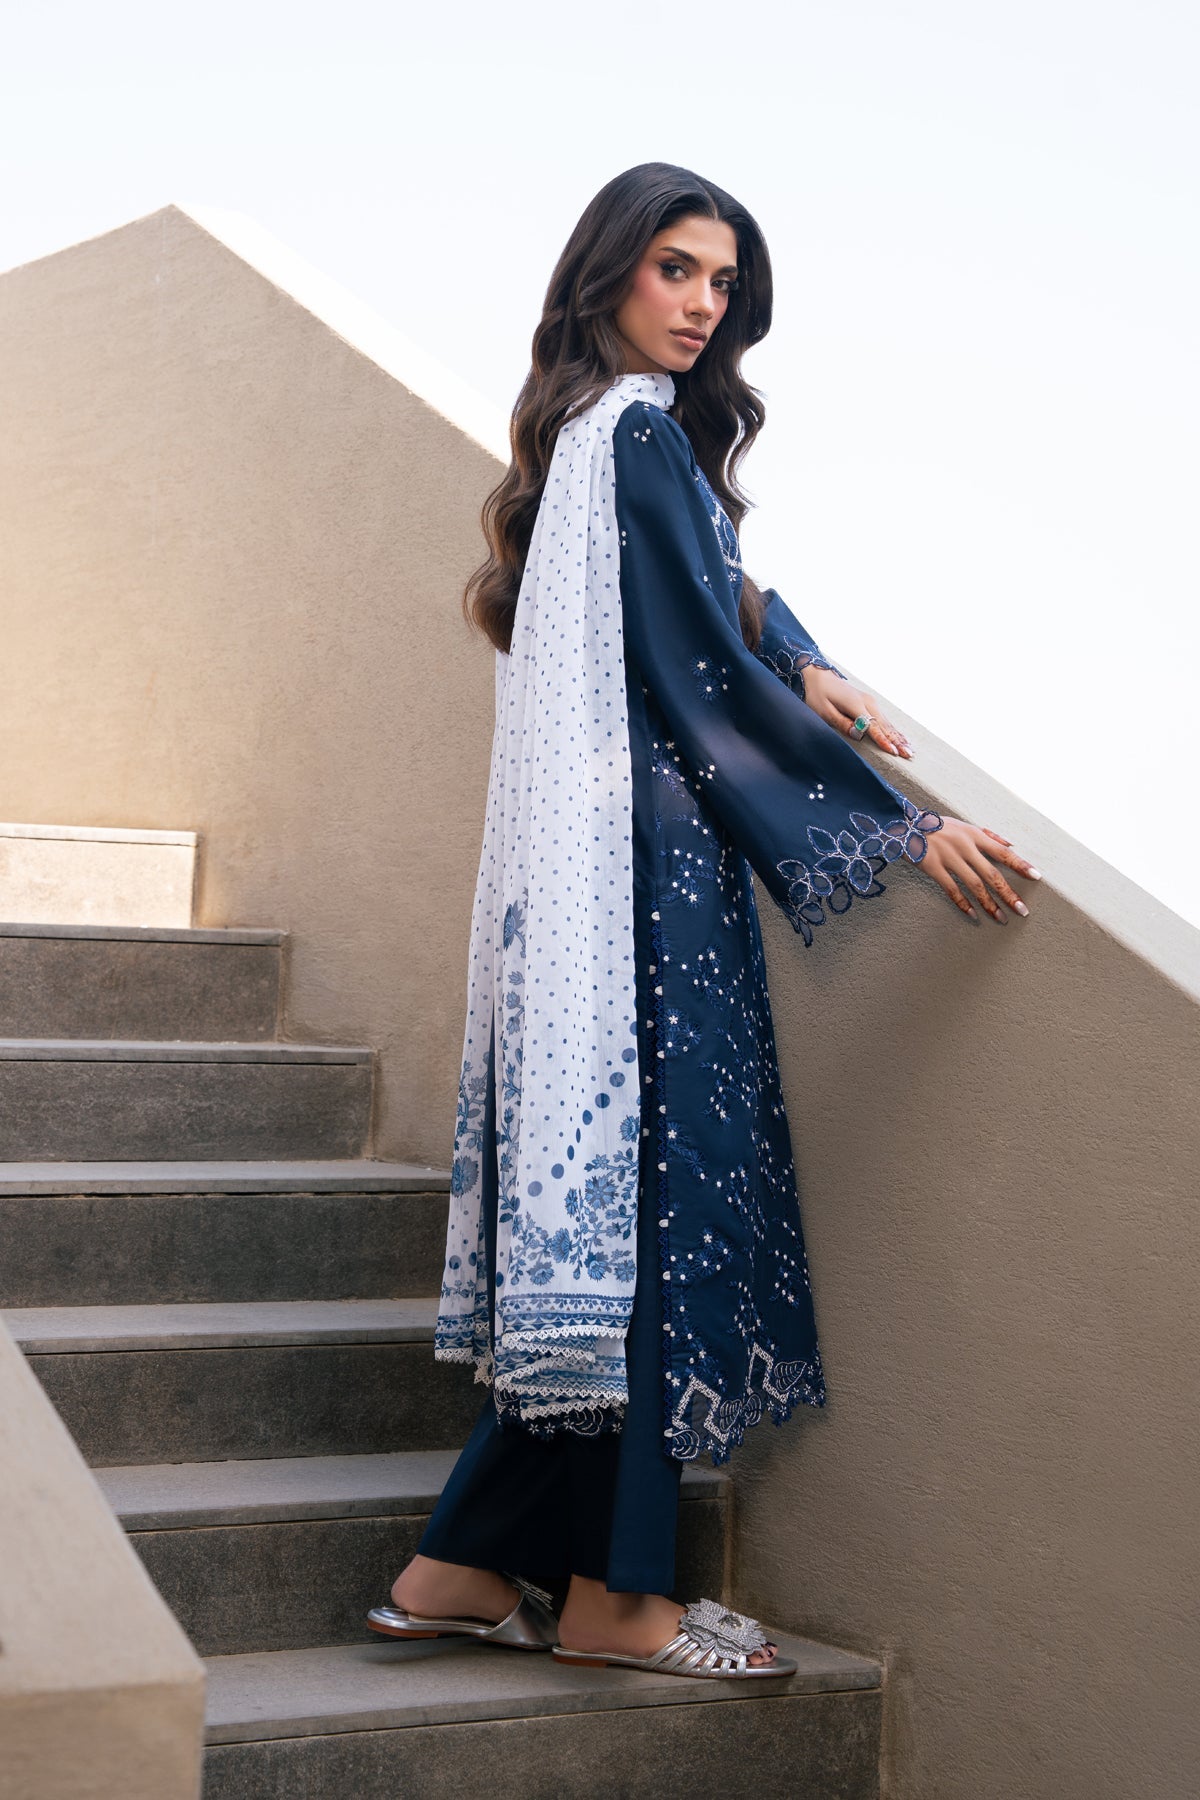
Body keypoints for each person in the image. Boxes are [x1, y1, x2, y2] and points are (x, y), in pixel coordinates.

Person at [366, 162, 1040, 1681]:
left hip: (598, 892)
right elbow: (694, 669)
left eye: (722, 282)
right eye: (676, 269)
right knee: (656, 1229)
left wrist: (803, 654)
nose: (703, 304)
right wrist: (904, 823)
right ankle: (616, 1602)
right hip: (644, 903)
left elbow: (706, 597)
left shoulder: (592, 438)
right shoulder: (634, 434)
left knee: (618, 1230)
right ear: (608, 271)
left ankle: (461, 1569)